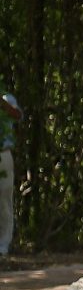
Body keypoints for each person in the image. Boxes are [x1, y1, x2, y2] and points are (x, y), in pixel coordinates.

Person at [0, 88, 20, 255]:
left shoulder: (7, 98)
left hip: (3, 154)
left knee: (5, 200)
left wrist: (2, 102)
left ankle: (3, 245)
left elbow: (17, 115)